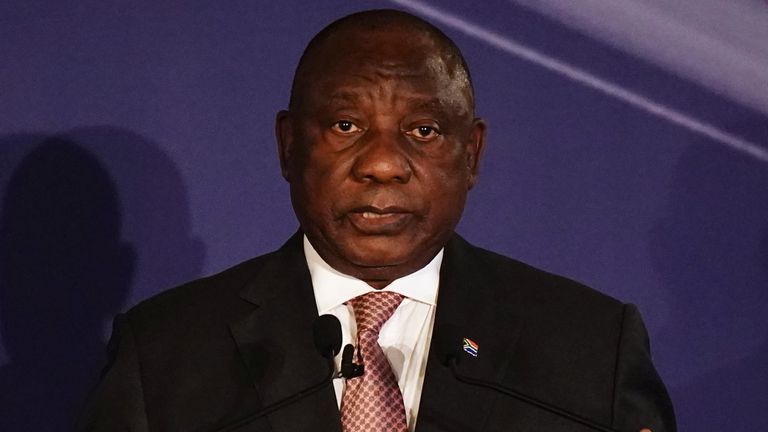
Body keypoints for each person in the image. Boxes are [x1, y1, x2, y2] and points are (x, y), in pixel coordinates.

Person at [78, 9, 675, 432]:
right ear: (289, 146)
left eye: (423, 130)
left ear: (471, 155)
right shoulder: (163, 355)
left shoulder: (592, 349)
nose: (384, 164)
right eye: (345, 126)